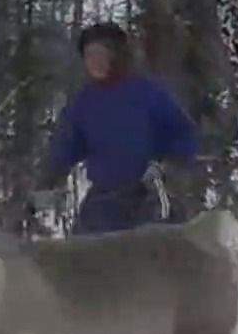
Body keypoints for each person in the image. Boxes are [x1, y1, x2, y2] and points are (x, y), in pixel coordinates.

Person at [32, 21, 200, 235]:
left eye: (101, 55)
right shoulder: (85, 101)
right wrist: (47, 183)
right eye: (89, 56)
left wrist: (165, 167)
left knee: (144, 261)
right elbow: (65, 147)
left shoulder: (148, 93)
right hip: (102, 201)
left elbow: (183, 134)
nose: (94, 62)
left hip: (147, 197)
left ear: (118, 56)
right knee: (81, 259)